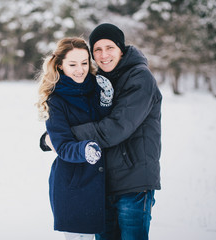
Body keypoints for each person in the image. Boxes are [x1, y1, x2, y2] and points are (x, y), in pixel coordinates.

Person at [40, 23, 162, 240]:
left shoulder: (139, 78)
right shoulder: (99, 81)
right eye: (97, 49)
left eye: (110, 48)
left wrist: (62, 138)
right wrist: (56, 137)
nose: (104, 55)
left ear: (121, 49)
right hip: (104, 183)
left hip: (133, 183)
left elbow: (116, 128)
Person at [36, 37, 115, 240]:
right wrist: (84, 149)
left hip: (103, 185)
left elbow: (107, 124)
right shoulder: (56, 100)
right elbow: (62, 145)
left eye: (84, 63)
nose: (80, 70)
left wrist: (105, 100)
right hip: (73, 186)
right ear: (60, 65)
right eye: (72, 64)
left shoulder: (97, 88)